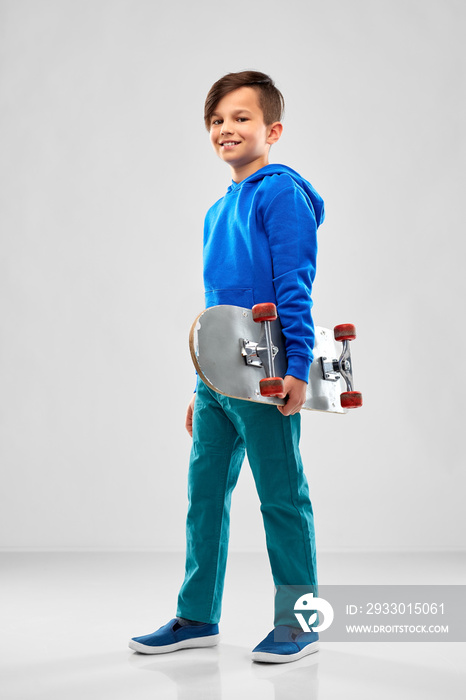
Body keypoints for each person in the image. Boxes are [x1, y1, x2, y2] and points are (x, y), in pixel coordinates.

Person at [129, 71, 325, 663]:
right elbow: (219, 308)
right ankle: (196, 616)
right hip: (217, 379)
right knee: (204, 494)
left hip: (268, 375)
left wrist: (298, 366)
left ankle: (302, 622)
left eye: (241, 118)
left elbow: (295, 285)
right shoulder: (219, 210)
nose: (226, 129)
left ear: (273, 129)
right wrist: (204, 381)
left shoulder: (281, 193)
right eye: (217, 120)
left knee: (281, 496)